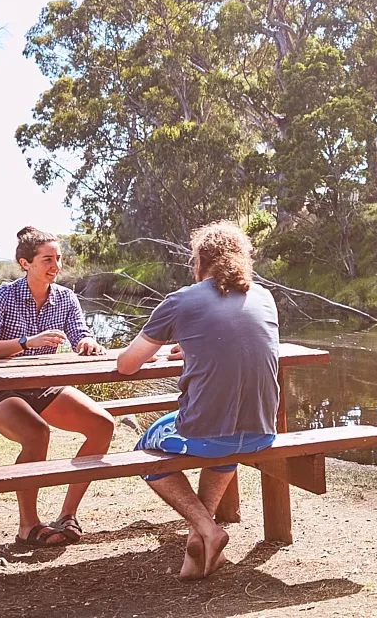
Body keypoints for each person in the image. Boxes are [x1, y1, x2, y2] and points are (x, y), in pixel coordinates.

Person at [117, 220, 279, 580]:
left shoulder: (180, 301)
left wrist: (185, 343)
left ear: (198, 262)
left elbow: (127, 365)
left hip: (208, 432)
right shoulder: (264, 296)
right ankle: (199, 543)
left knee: (144, 451)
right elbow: (238, 344)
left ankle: (207, 529)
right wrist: (193, 346)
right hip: (262, 432)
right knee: (223, 440)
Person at [0, 226, 115, 547]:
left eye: (59, 259)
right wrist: (25, 342)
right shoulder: (2, 297)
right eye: (47, 259)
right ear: (25, 263)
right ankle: (27, 526)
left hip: (41, 388)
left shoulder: (65, 298)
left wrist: (88, 343)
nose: (56, 266)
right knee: (37, 433)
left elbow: (79, 333)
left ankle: (67, 516)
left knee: (102, 425)